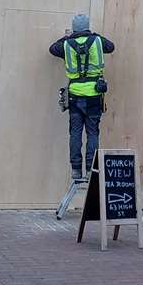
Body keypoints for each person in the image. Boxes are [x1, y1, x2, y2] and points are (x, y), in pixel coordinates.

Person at [49, 14, 115, 182]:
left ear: (74, 28)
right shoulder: (97, 41)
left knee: (75, 133)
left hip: (75, 95)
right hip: (94, 95)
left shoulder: (66, 44)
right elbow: (111, 46)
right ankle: (91, 169)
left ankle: (76, 170)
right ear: (87, 27)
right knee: (93, 133)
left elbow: (52, 48)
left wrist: (67, 36)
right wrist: (95, 36)